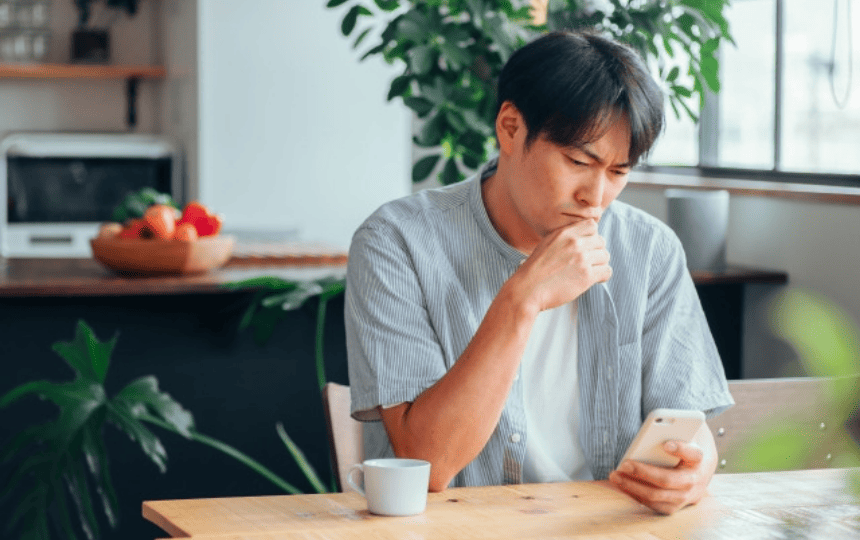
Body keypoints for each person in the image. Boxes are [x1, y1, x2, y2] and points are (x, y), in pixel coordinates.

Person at [344, 30, 734, 515]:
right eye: (577, 161)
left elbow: (688, 421)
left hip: (607, 525)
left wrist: (697, 470)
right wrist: (522, 299)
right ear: (510, 128)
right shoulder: (397, 241)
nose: (596, 196)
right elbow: (429, 462)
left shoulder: (649, 249)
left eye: (618, 172)